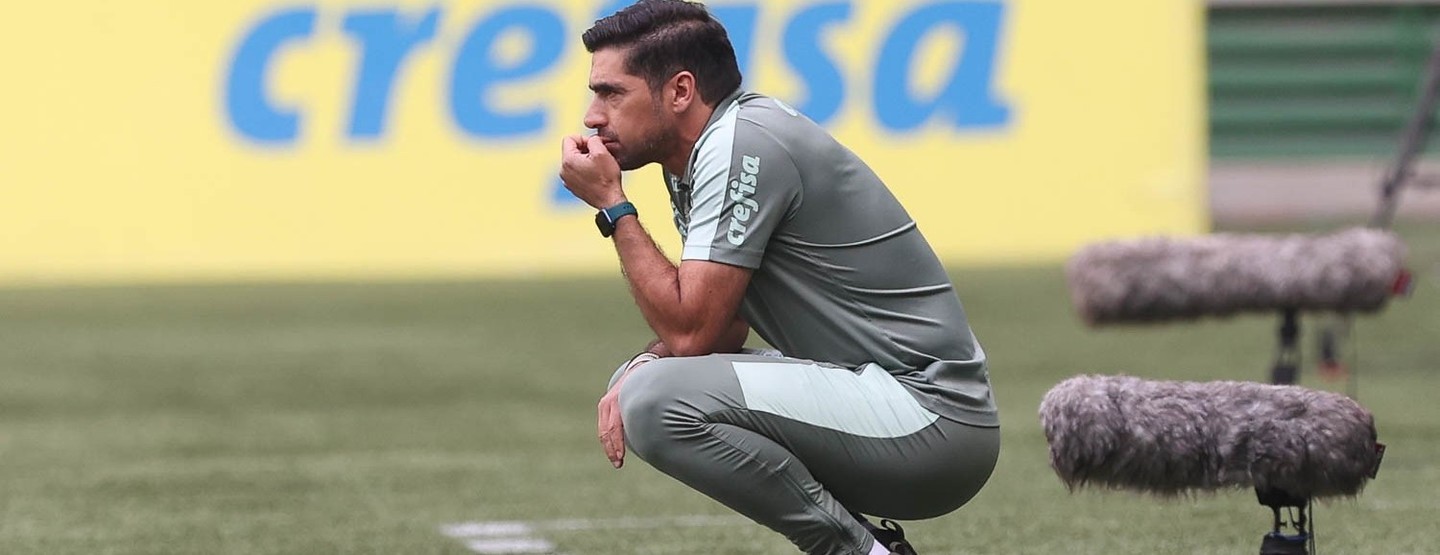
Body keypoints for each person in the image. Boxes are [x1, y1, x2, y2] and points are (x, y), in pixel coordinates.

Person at [557, 2, 999, 554]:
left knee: (653, 399)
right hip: (891, 405)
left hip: (931, 418)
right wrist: (648, 360)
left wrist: (613, 207)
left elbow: (691, 332)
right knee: (643, 380)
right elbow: (722, 328)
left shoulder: (741, 145)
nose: (592, 117)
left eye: (611, 93)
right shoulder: (711, 150)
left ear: (680, 91)